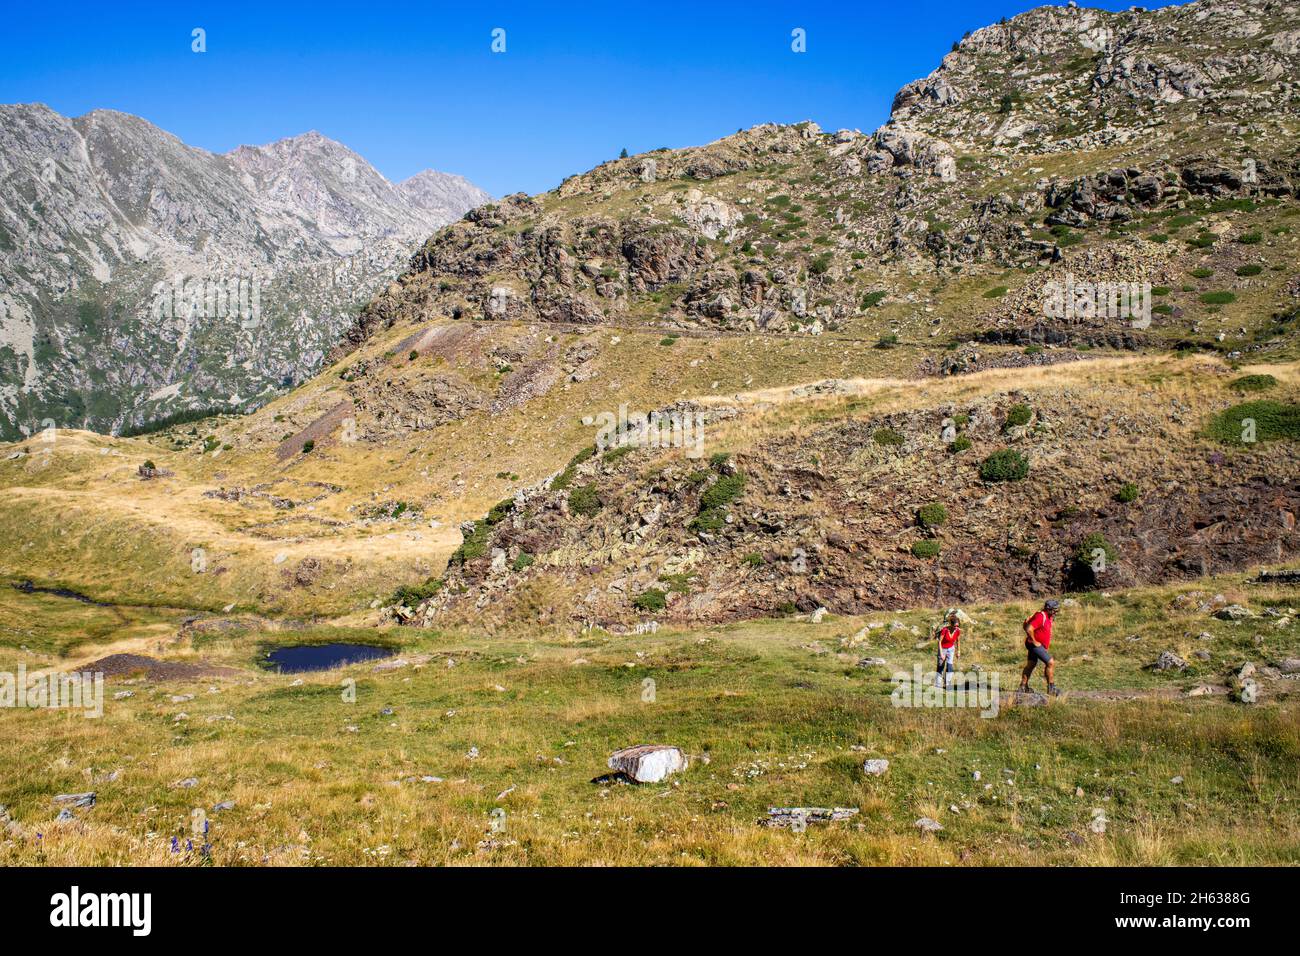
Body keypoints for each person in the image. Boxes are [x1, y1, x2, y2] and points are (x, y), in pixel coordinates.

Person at [1021, 599, 1060, 695]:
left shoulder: (1048, 616)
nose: (1056, 612)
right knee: (1050, 662)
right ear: (1049, 609)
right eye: (1055, 610)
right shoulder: (1041, 616)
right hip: (1034, 645)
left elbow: (1026, 624)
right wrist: (1035, 642)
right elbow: (1029, 629)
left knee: (1031, 664)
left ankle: (1023, 687)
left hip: (1033, 644)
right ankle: (1051, 689)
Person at [934, 610, 962, 689]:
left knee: (950, 666)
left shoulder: (957, 631)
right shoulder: (945, 630)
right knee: (940, 666)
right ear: (951, 625)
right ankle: (938, 684)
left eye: (958, 626)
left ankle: (947, 684)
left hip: (951, 649)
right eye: (955, 626)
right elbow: (940, 641)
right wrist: (941, 654)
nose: (956, 628)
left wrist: (958, 651)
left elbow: (958, 641)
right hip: (942, 648)